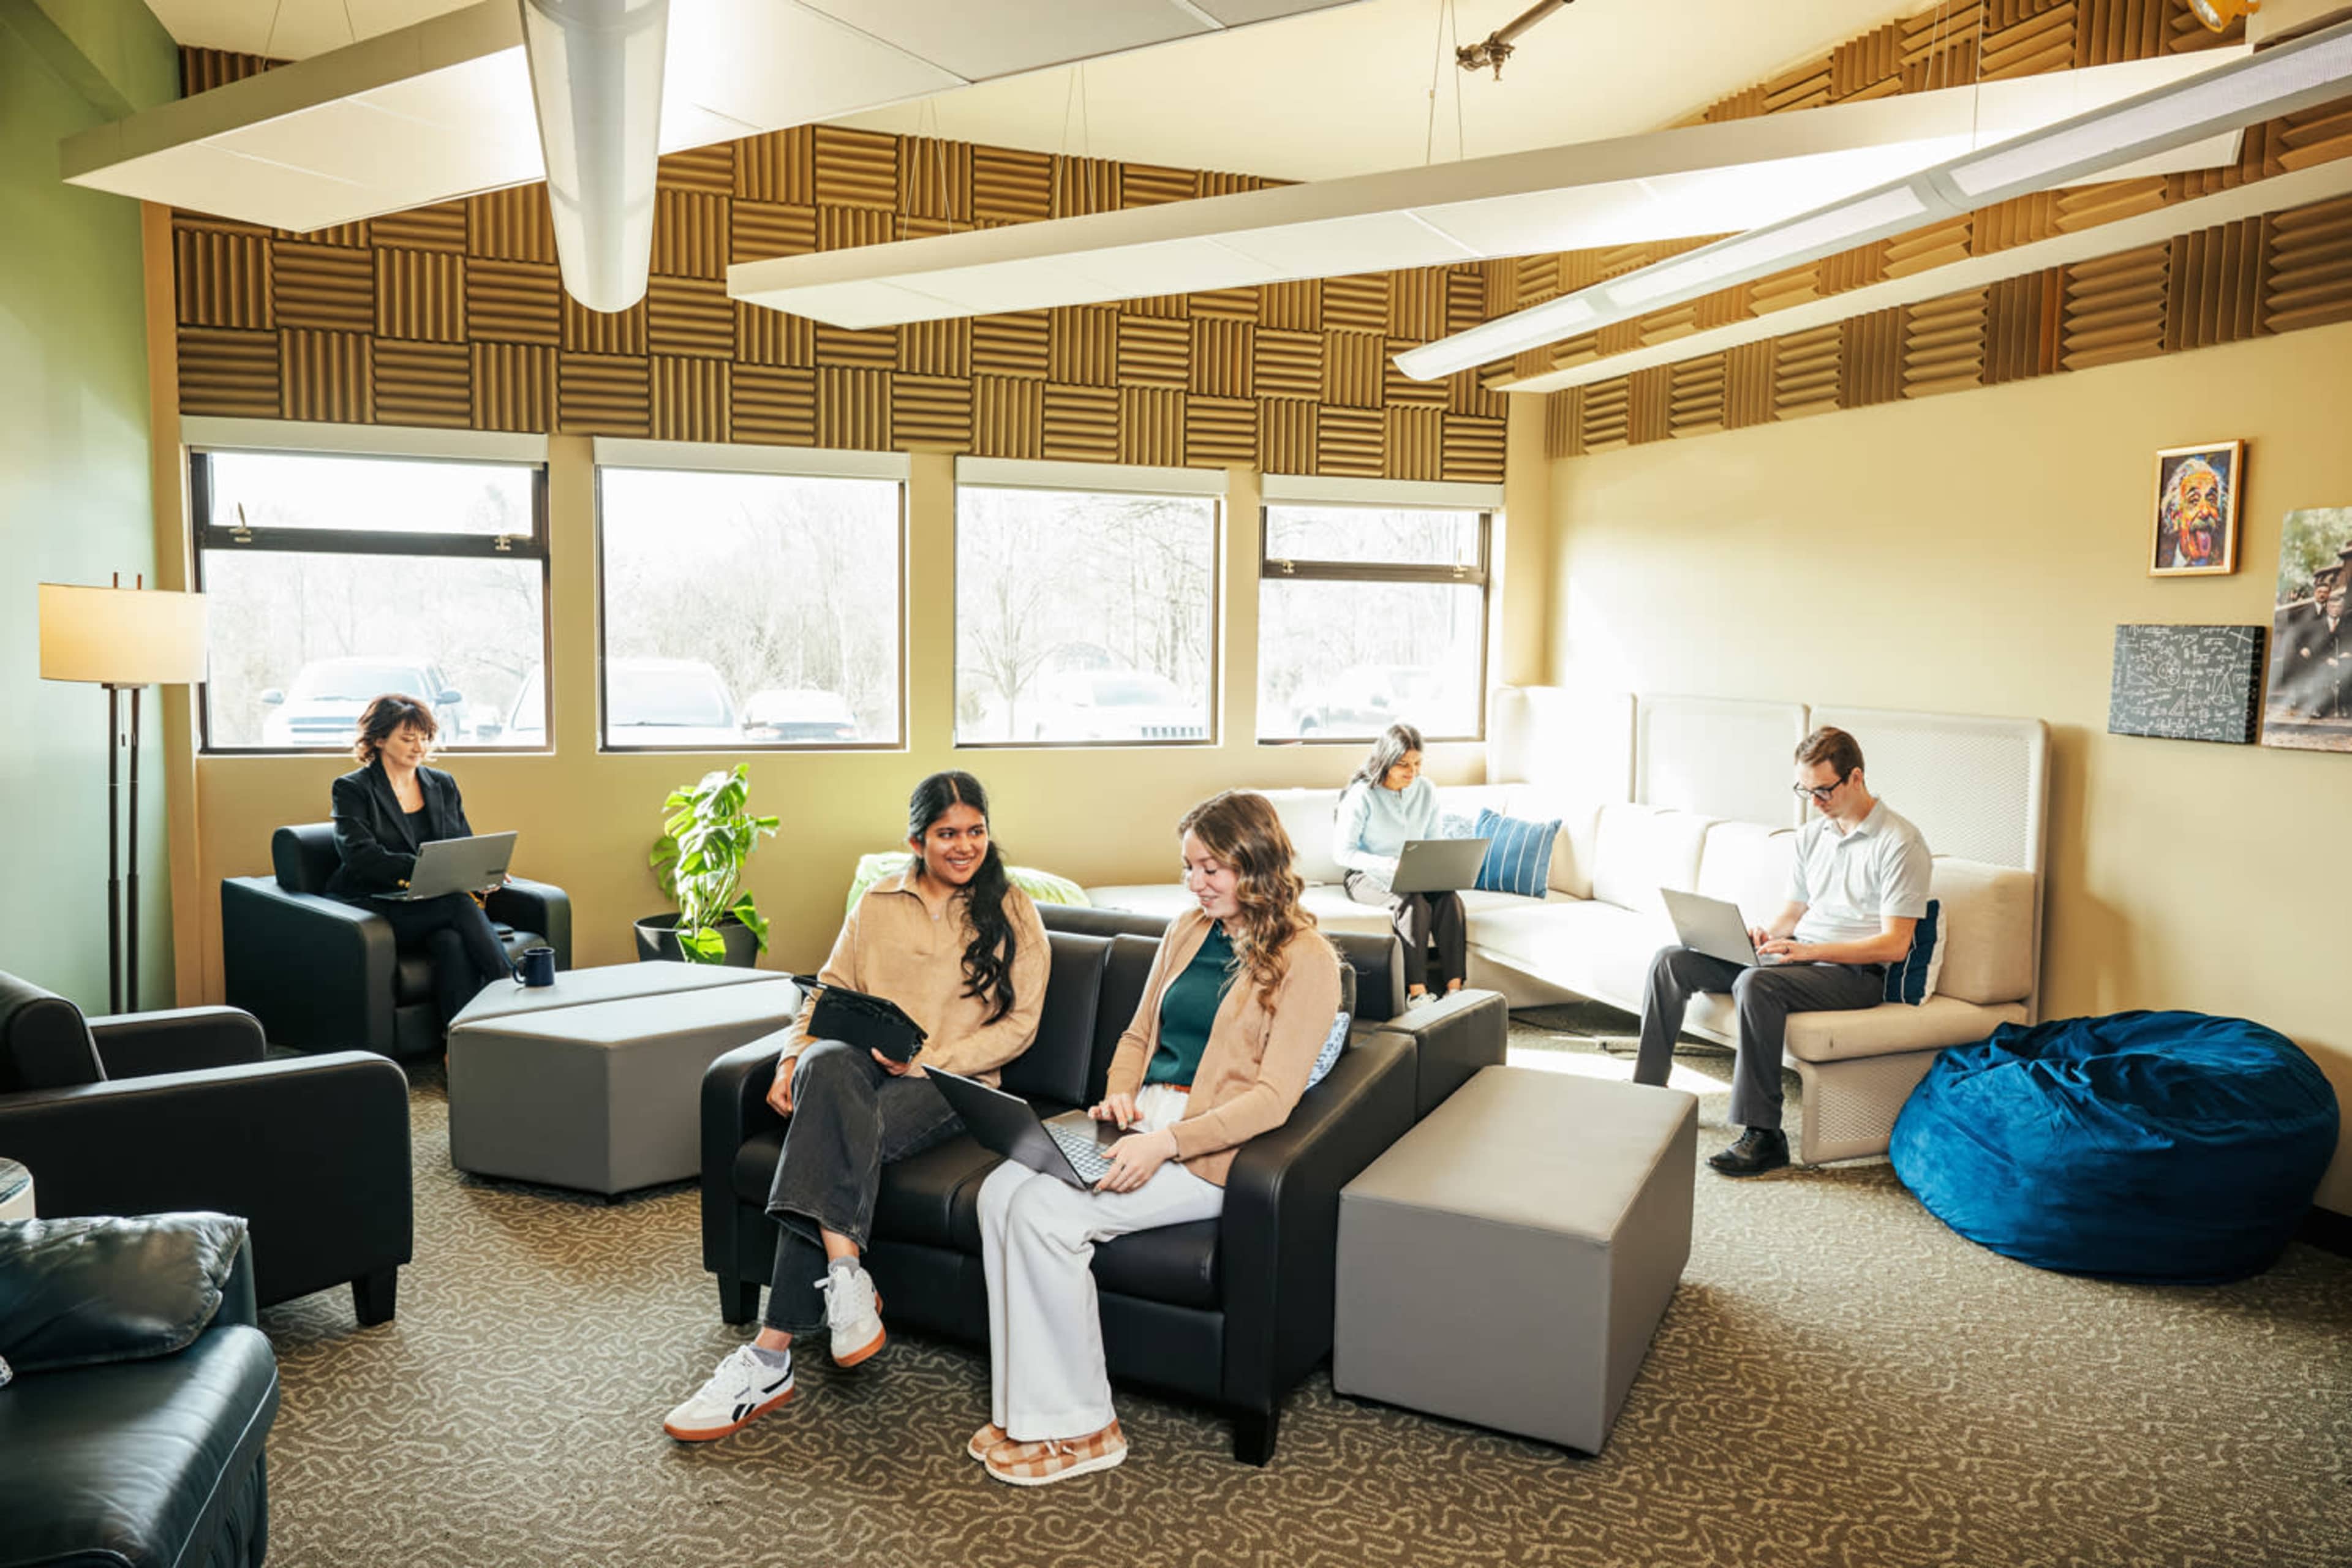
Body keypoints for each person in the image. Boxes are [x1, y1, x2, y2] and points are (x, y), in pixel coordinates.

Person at [970, 790, 1342, 1486]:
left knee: (1047, 1215)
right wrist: (1118, 1095)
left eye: (1213, 867)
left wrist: (1164, 1144)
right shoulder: (1186, 929)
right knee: (999, 1193)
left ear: (1257, 862)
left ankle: (1085, 1425)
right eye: (1190, 867)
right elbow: (1140, 1034)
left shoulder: (1307, 958)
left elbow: (1273, 1099)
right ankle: (1028, 1411)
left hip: (1206, 1152)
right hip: (1138, 1120)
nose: (1198, 883)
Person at [663, 771, 1048, 1442]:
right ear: (917, 839)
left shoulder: (1013, 909)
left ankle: (770, 1353)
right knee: (824, 1060)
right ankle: (846, 1276)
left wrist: (926, 1062)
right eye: (948, 833)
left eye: (976, 831)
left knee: (822, 1130)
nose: (965, 846)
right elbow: (826, 995)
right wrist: (789, 1058)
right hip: (859, 1074)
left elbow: (1022, 1026)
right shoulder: (876, 904)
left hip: (953, 1086)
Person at [1630, 726, 1930, 1177]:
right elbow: (1794, 912)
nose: (1815, 801)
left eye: (1824, 790)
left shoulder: (1899, 842)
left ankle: (1764, 1135)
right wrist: (1765, 936)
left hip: (1856, 974)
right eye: (1805, 790)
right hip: (1801, 959)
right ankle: (1648, 1095)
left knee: (1757, 983)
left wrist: (1809, 952)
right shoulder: (1814, 836)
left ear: (1856, 778)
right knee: (1673, 960)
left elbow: (1895, 943)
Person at [324, 693, 514, 1030]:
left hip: (429, 903)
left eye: (425, 738)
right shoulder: (352, 789)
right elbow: (360, 857)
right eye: (408, 738)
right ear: (379, 739)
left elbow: (461, 843)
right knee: (458, 905)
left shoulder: (442, 784)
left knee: (450, 941)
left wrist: (481, 871)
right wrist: (427, 871)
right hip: (372, 904)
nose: (419, 747)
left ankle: (458, 1043)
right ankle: (512, 990)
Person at [1333, 723, 1466, 1007]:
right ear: (1386, 761)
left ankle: (1456, 990)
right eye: (1403, 764)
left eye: (1418, 764)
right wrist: (1387, 863)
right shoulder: (1362, 794)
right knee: (1412, 902)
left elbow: (1434, 842)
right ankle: (1416, 993)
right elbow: (1343, 853)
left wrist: (1440, 868)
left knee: (1449, 899)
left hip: (1415, 872)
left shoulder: (1426, 790)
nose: (1412, 772)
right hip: (1365, 875)